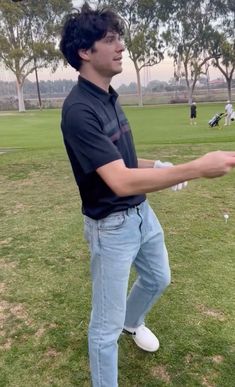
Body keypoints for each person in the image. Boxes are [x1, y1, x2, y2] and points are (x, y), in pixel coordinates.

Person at [59, 3, 235, 386]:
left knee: (158, 279)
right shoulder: (78, 110)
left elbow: (123, 159)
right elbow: (119, 181)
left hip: (141, 215)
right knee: (102, 330)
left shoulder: (108, 96)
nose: (121, 46)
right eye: (110, 40)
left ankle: (132, 321)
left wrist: (158, 167)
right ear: (84, 53)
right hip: (111, 226)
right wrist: (196, 168)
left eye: (119, 38)